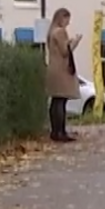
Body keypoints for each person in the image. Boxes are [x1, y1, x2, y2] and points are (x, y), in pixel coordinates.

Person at [44, 8, 81, 143]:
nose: (68, 23)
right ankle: (60, 131)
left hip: (53, 68)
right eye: (67, 19)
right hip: (61, 70)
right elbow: (65, 51)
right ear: (62, 18)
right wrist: (75, 42)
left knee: (55, 101)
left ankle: (54, 131)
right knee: (61, 101)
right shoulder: (60, 32)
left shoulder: (51, 32)